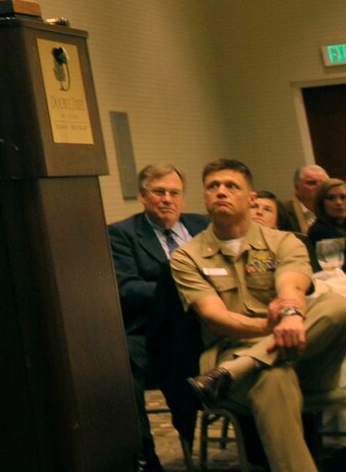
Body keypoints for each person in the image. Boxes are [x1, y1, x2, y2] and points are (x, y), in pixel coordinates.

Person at [173, 159, 346, 472]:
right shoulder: (187, 256)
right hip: (229, 350)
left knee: (339, 307)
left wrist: (291, 313)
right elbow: (214, 316)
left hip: (302, 357)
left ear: (251, 198)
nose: (221, 192)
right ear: (204, 197)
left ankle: (241, 368)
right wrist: (276, 327)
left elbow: (292, 281)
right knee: (272, 376)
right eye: (213, 186)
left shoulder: (285, 241)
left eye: (232, 186)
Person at [108, 164, 209, 472]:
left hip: (209, 327)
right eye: (159, 192)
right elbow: (127, 289)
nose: (167, 199)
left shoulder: (204, 226)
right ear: (142, 196)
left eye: (174, 193)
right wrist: (187, 290)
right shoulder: (122, 234)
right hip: (151, 333)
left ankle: (259, 454)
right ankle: (145, 457)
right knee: (120, 362)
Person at [306, 181, 346, 270]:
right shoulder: (319, 231)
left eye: (343, 197)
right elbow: (337, 268)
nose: (339, 202)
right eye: (331, 198)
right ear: (321, 203)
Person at [285, 166, 329, 234]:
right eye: (312, 183)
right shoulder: (284, 212)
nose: (319, 187)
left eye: (324, 183)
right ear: (297, 188)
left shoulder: (337, 208)